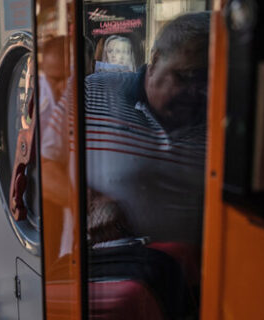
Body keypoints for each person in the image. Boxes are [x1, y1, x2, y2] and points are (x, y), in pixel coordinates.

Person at [84, 11, 209, 246]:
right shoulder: (90, 94)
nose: (194, 93)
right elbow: (41, 165)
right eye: (185, 76)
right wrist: (90, 200)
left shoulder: (219, 122)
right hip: (104, 272)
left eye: (204, 81)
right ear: (156, 59)